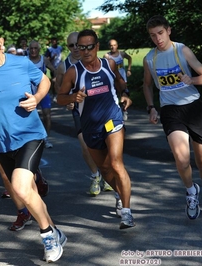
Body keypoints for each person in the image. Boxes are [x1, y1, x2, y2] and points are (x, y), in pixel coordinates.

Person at [0, 26, 67, 263]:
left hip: (30, 135)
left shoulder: (22, 63)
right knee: (29, 192)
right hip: (0, 142)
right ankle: (56, 231)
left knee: (19, 187)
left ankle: (48, 236)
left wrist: (37, 99)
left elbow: (45, 81)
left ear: (1, 42)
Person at [57, 29, 135, 229]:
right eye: (80, 47)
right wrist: (73, 98)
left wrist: (125, 93)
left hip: (113, 119)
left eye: (89, 46)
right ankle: (118, 193)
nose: (84, 51)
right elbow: (60, 97)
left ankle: (126, 212)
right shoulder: (74, 72)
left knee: (117, 163)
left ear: (97, 47)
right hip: (90, 126)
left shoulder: (108, 64)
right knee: (106, 169)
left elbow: (119, 80)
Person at [143, 15, 202, 220]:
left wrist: (192, 79)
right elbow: (147, 84)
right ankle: (191, 192)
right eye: (153, 35)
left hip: (193, 107)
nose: (158, 39)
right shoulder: (150, 59)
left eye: (160, 33)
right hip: (170, 110)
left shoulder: (182, 50)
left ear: (168, 30)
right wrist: (151, 107)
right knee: (181, 158)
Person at [55, 31, 112, 196]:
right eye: (71, 46)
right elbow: (58, 87)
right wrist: (68, 99)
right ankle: (95, 175)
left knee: (107, 143)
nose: (75, 49)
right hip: (79, 111)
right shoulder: (64, 66)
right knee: (85, 144)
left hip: (101, 110)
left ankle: (107, 174)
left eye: (77, 45)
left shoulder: (97, 63)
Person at [28, 40, 55, 148]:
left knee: (47, 116)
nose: (33, 50)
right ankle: (31, 140)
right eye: (31, 48)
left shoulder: (43, 60)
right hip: (29, 94)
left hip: (43, 93)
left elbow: (54, 69)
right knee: (30, 118)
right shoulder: (25, 61)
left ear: (39, 49)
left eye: (35, 48)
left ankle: (46, 138)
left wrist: (55, 79)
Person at [104, 39, 132, 121]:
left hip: (122, 78)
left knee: (124, 94)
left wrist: (129, 69)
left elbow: (129, 58)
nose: (113, 47)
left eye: (114, 45)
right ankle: (113, 113)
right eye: (111, 45)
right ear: (109, 46)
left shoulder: (121, 54)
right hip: (112, 79)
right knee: (112, 95)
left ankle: (125, 110)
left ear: (117, 45)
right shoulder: (107, 56)